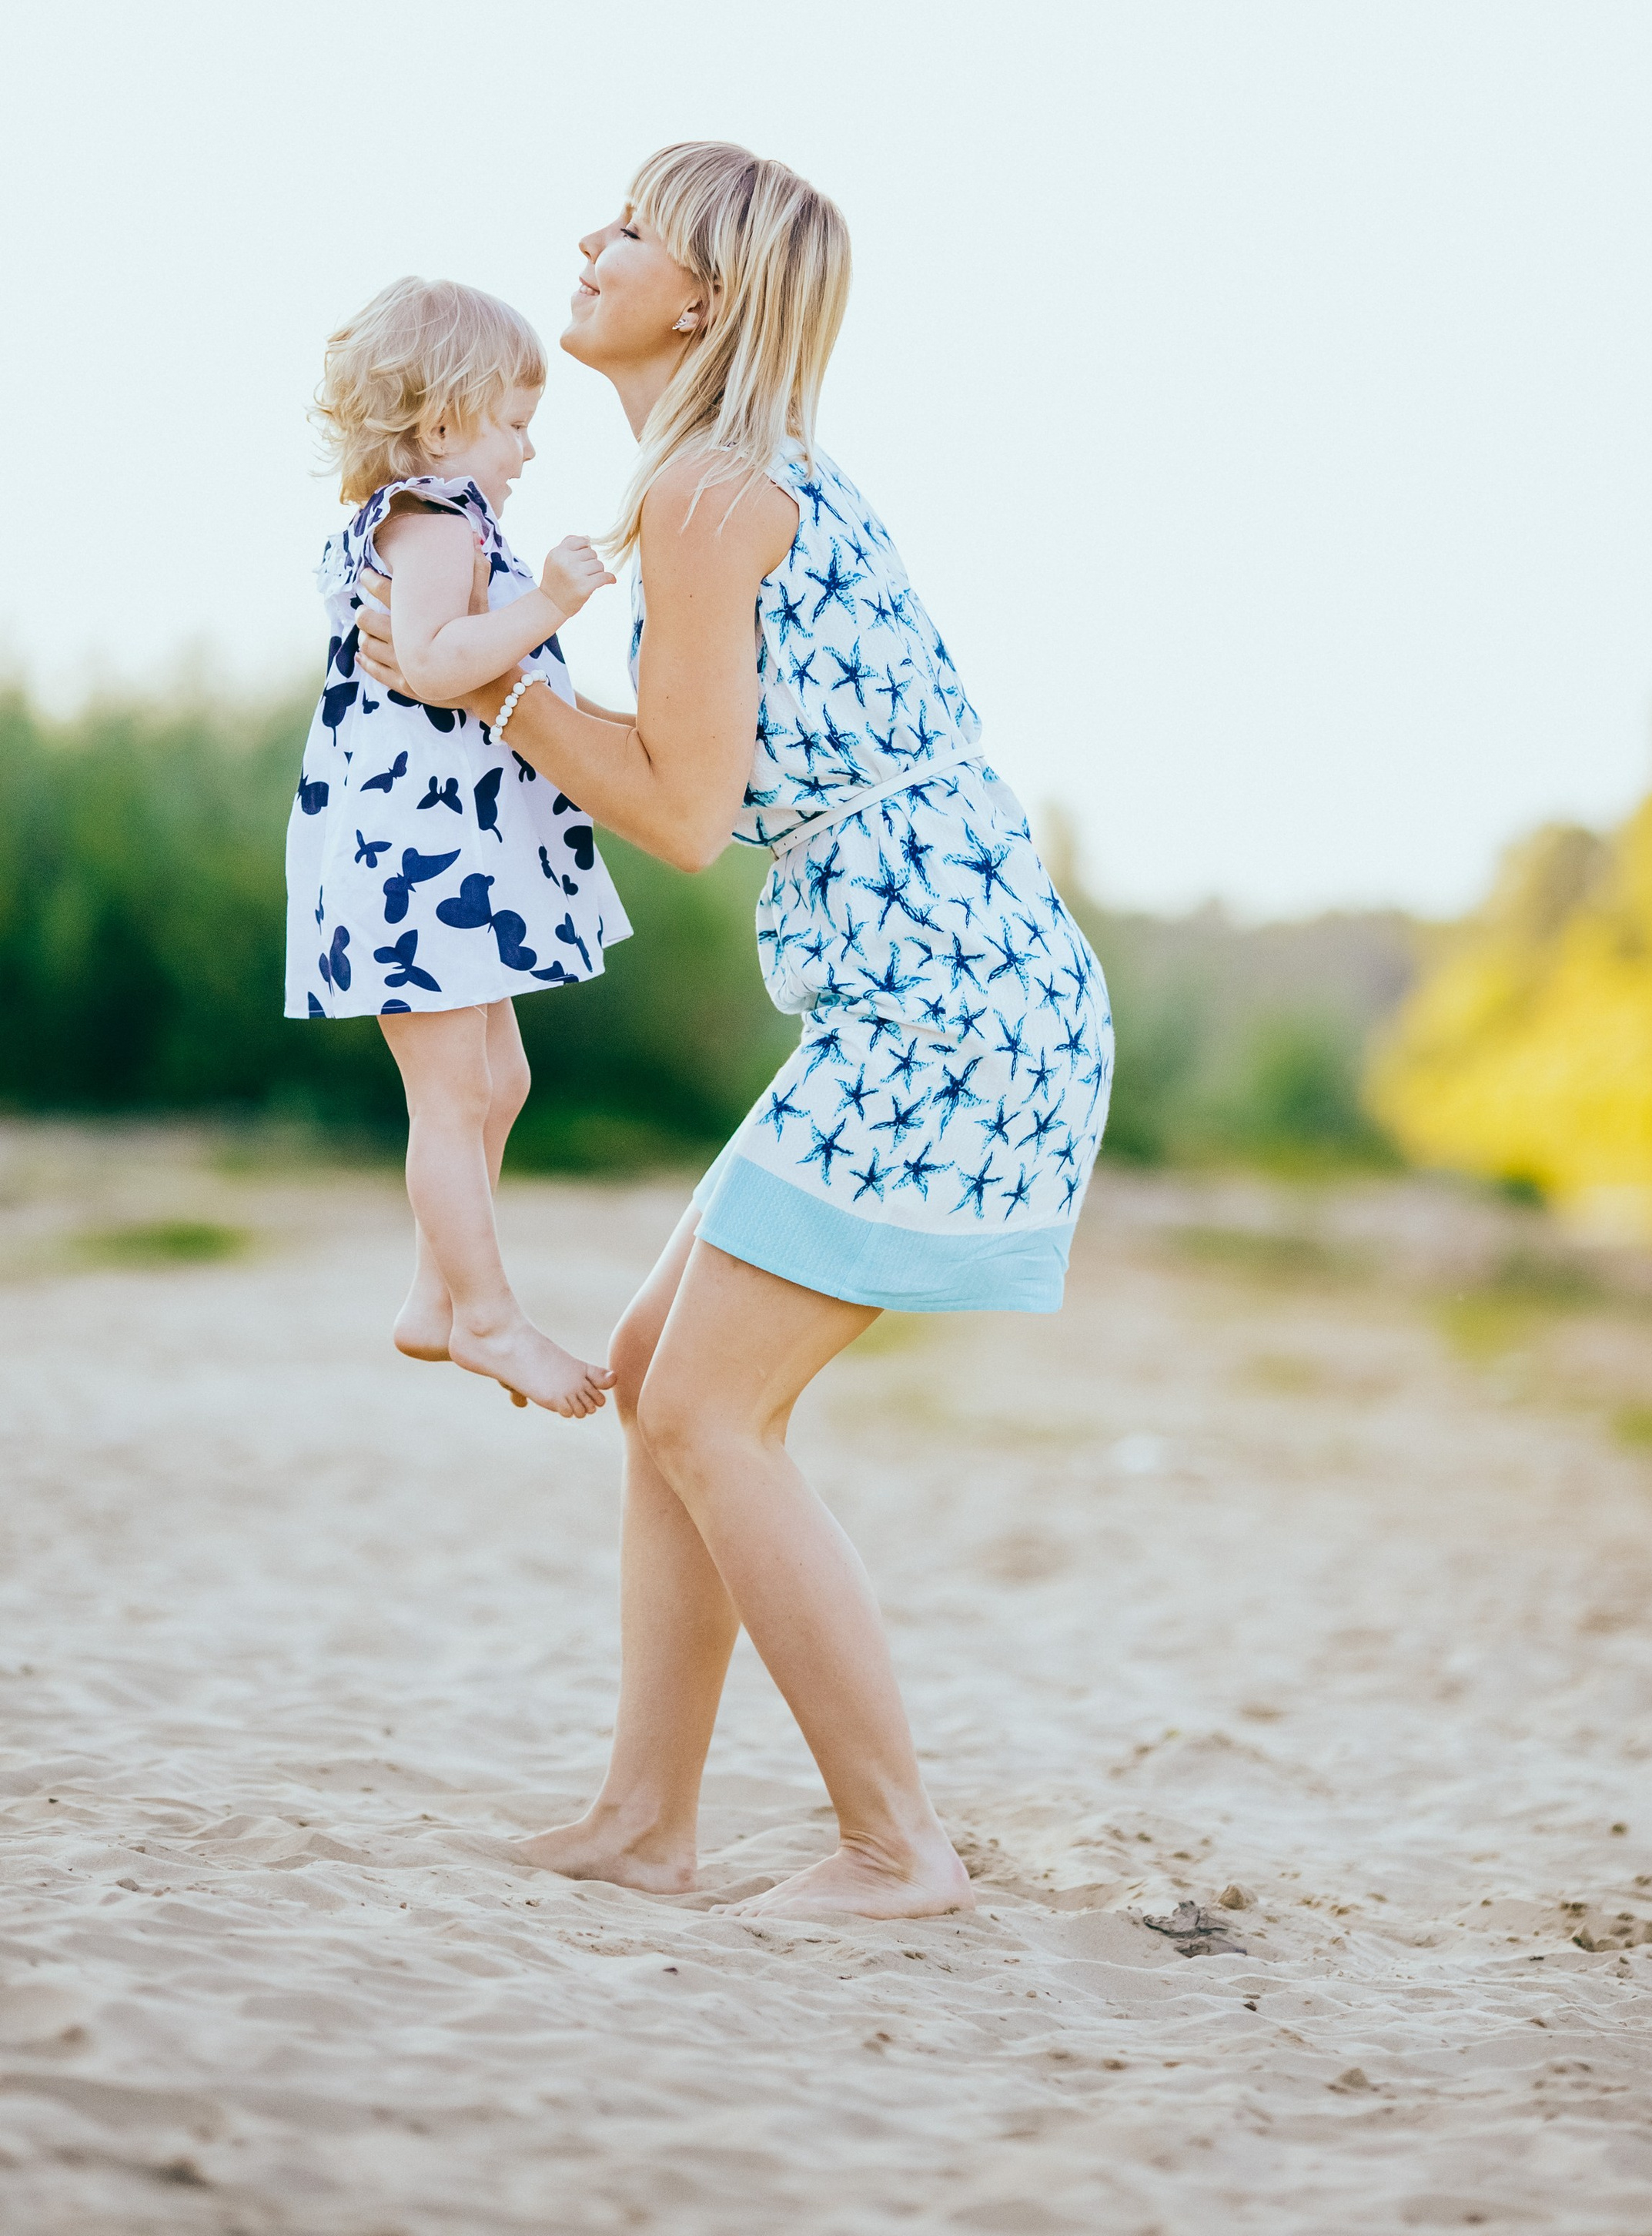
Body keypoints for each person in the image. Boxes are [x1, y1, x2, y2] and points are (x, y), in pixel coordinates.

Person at [356, 149, 1113, 1917]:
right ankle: (645, 1822)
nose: (586, 242)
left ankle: (891, 1850)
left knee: (706, 1414)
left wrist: (495, 676)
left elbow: (685, 814)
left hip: (949, 1003)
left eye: (626, 228)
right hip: (905, 987)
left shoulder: (706, 493)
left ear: (700, 296)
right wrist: (508, 672)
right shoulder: (701, 483)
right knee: (652, 1381)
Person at [287, 274, 631, 1420]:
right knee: (449, 1097)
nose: (530, 449)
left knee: (502, 1078)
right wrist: (554, 606)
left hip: (439, 854)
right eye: (516, 422)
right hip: (413, 861)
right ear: (441, 426)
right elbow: (434, 662)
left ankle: (435, 1302)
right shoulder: (429, 518)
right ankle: (487, 1319)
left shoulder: (448, 517)